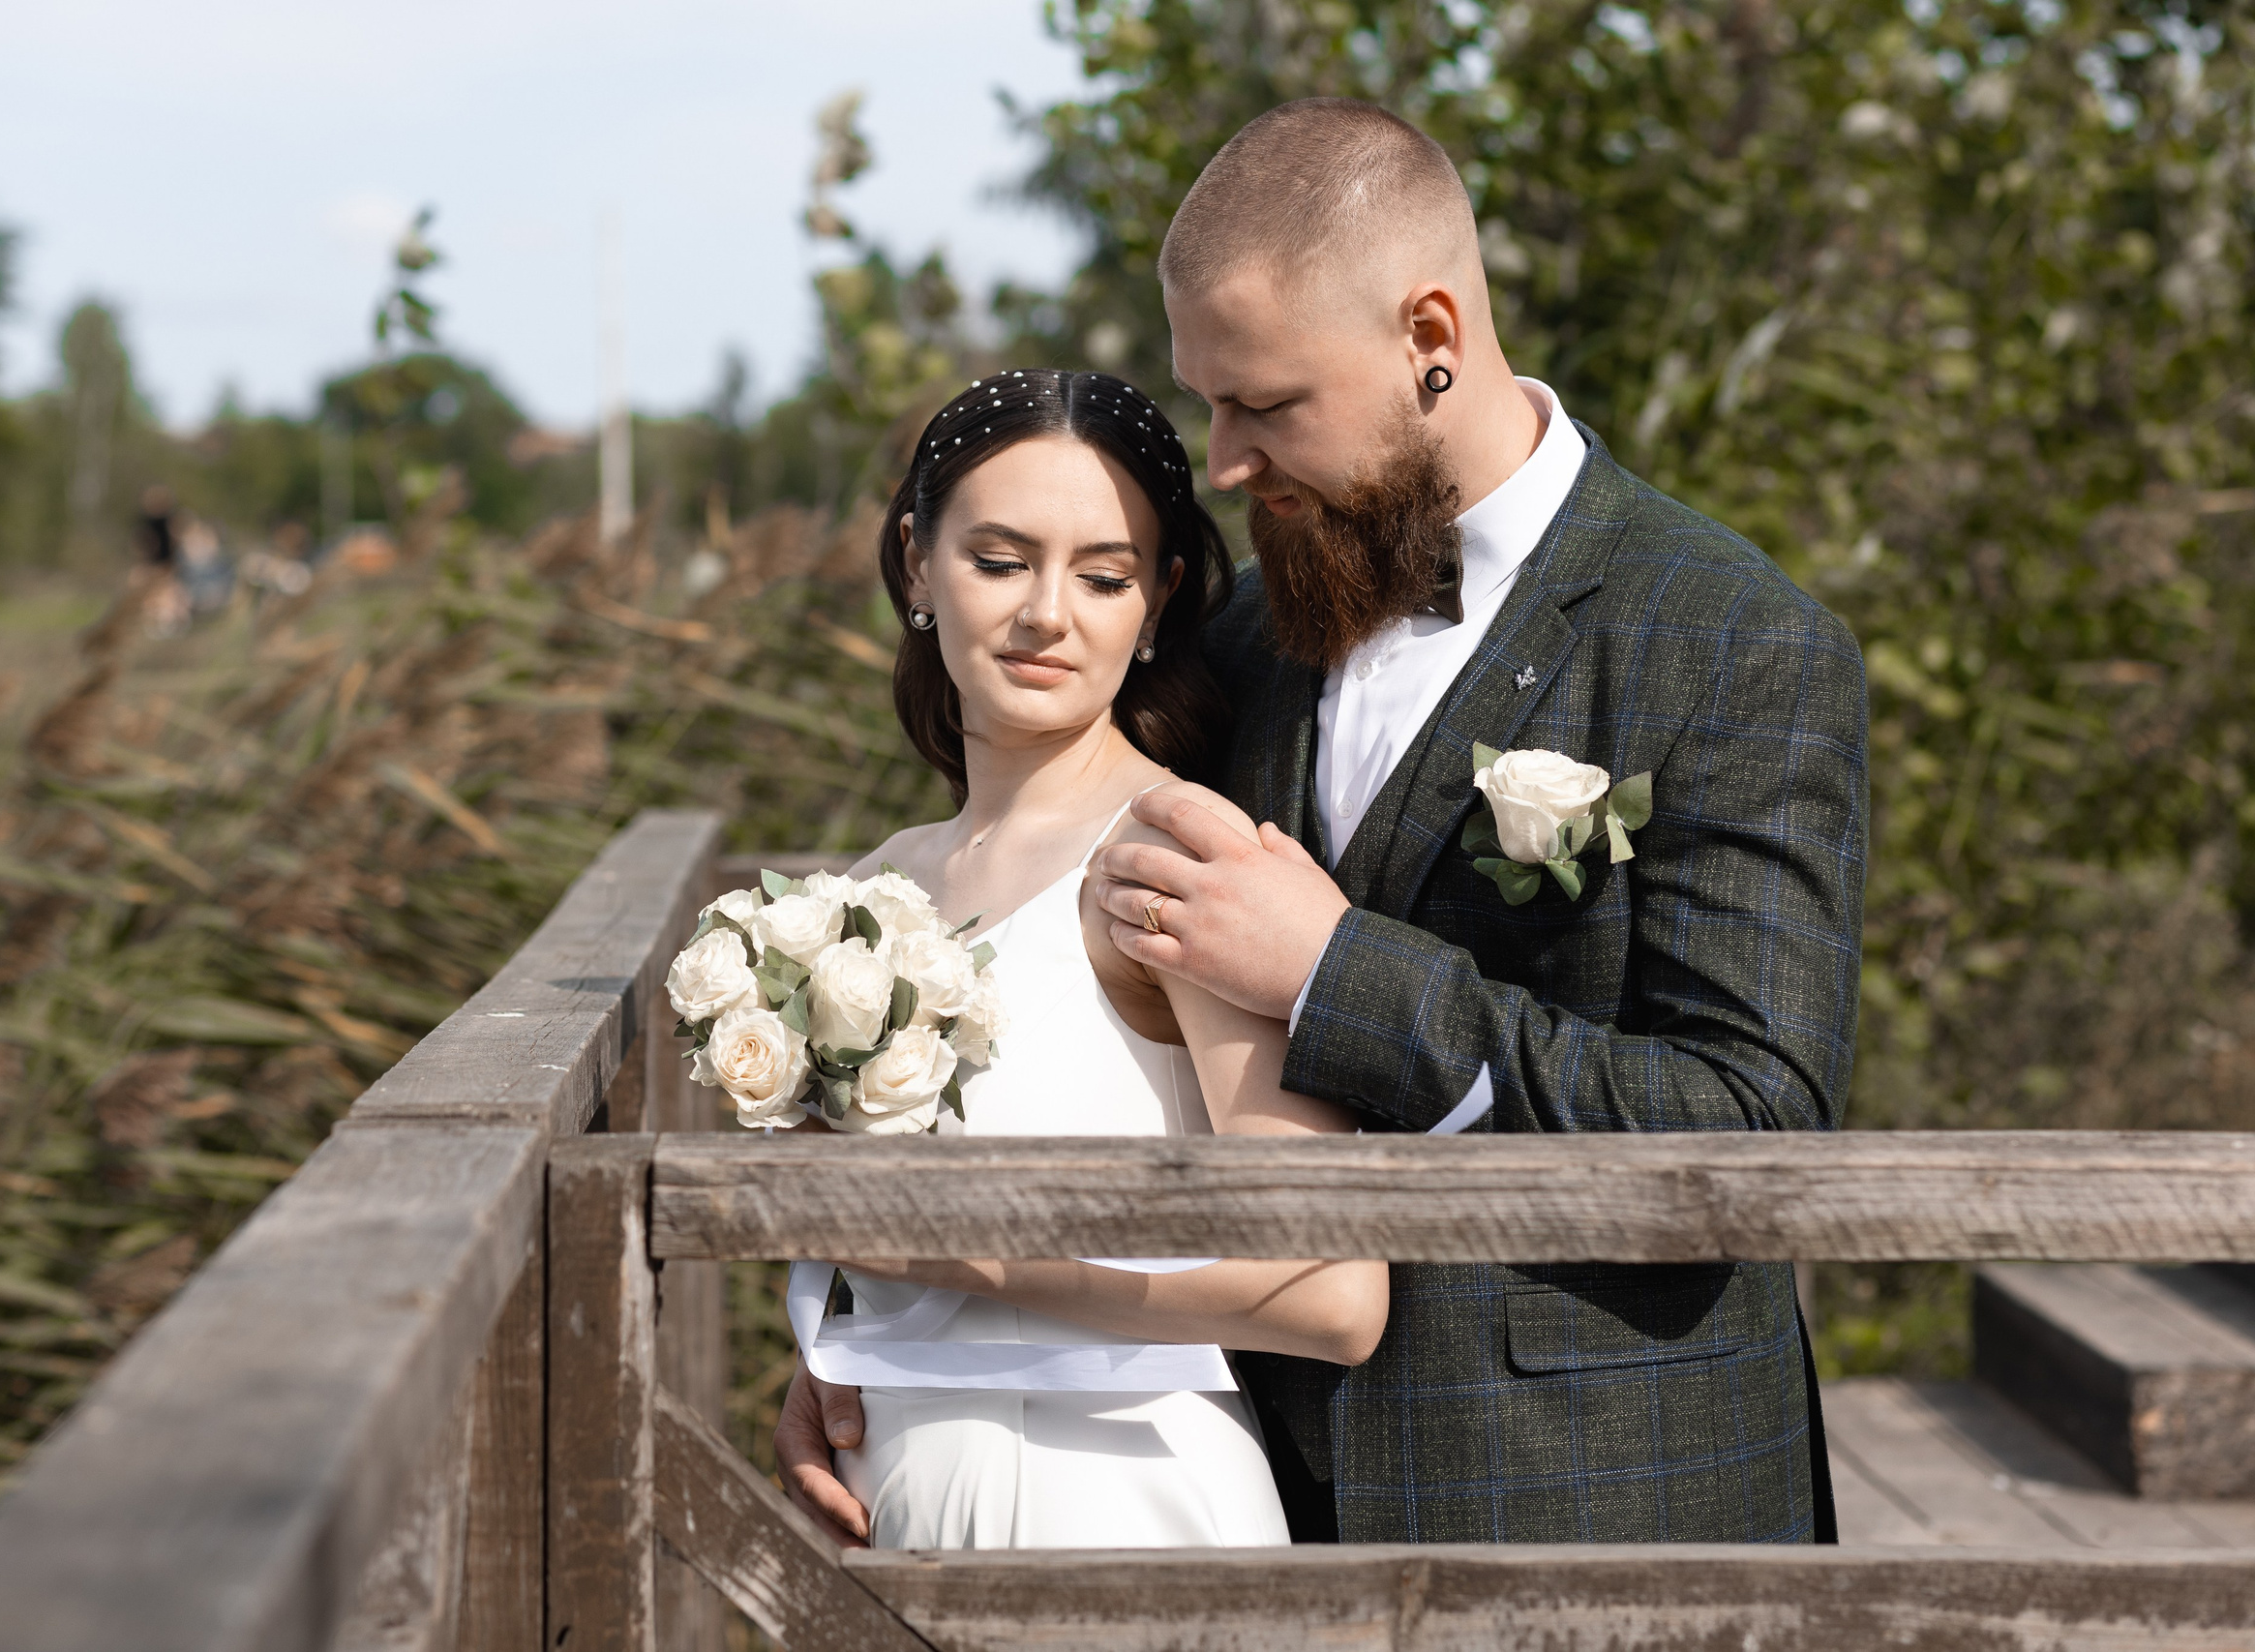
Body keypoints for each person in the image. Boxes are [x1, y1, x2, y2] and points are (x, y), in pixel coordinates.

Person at [785, 100, 1866, 1548]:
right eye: (1210, 399)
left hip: (1602, 1499)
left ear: (1432, 333)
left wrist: (1336, 969)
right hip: (1252, 1497)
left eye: (1268, 402)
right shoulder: (1246, 635)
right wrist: (881, 1341)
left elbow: (1752, 1128)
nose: (1224, 457)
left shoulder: (1732, 643)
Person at [775, 368, 1388, 1550]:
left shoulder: (1175, 855)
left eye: (1101, 577)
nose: (1046, 613)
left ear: (1155, 602)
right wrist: (839, 1345)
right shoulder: (869, 886)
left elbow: (1330, 1291)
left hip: (1119, 1497)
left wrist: (983, 1261)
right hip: (893, 1502)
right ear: (916, 563)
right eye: (999, 562)